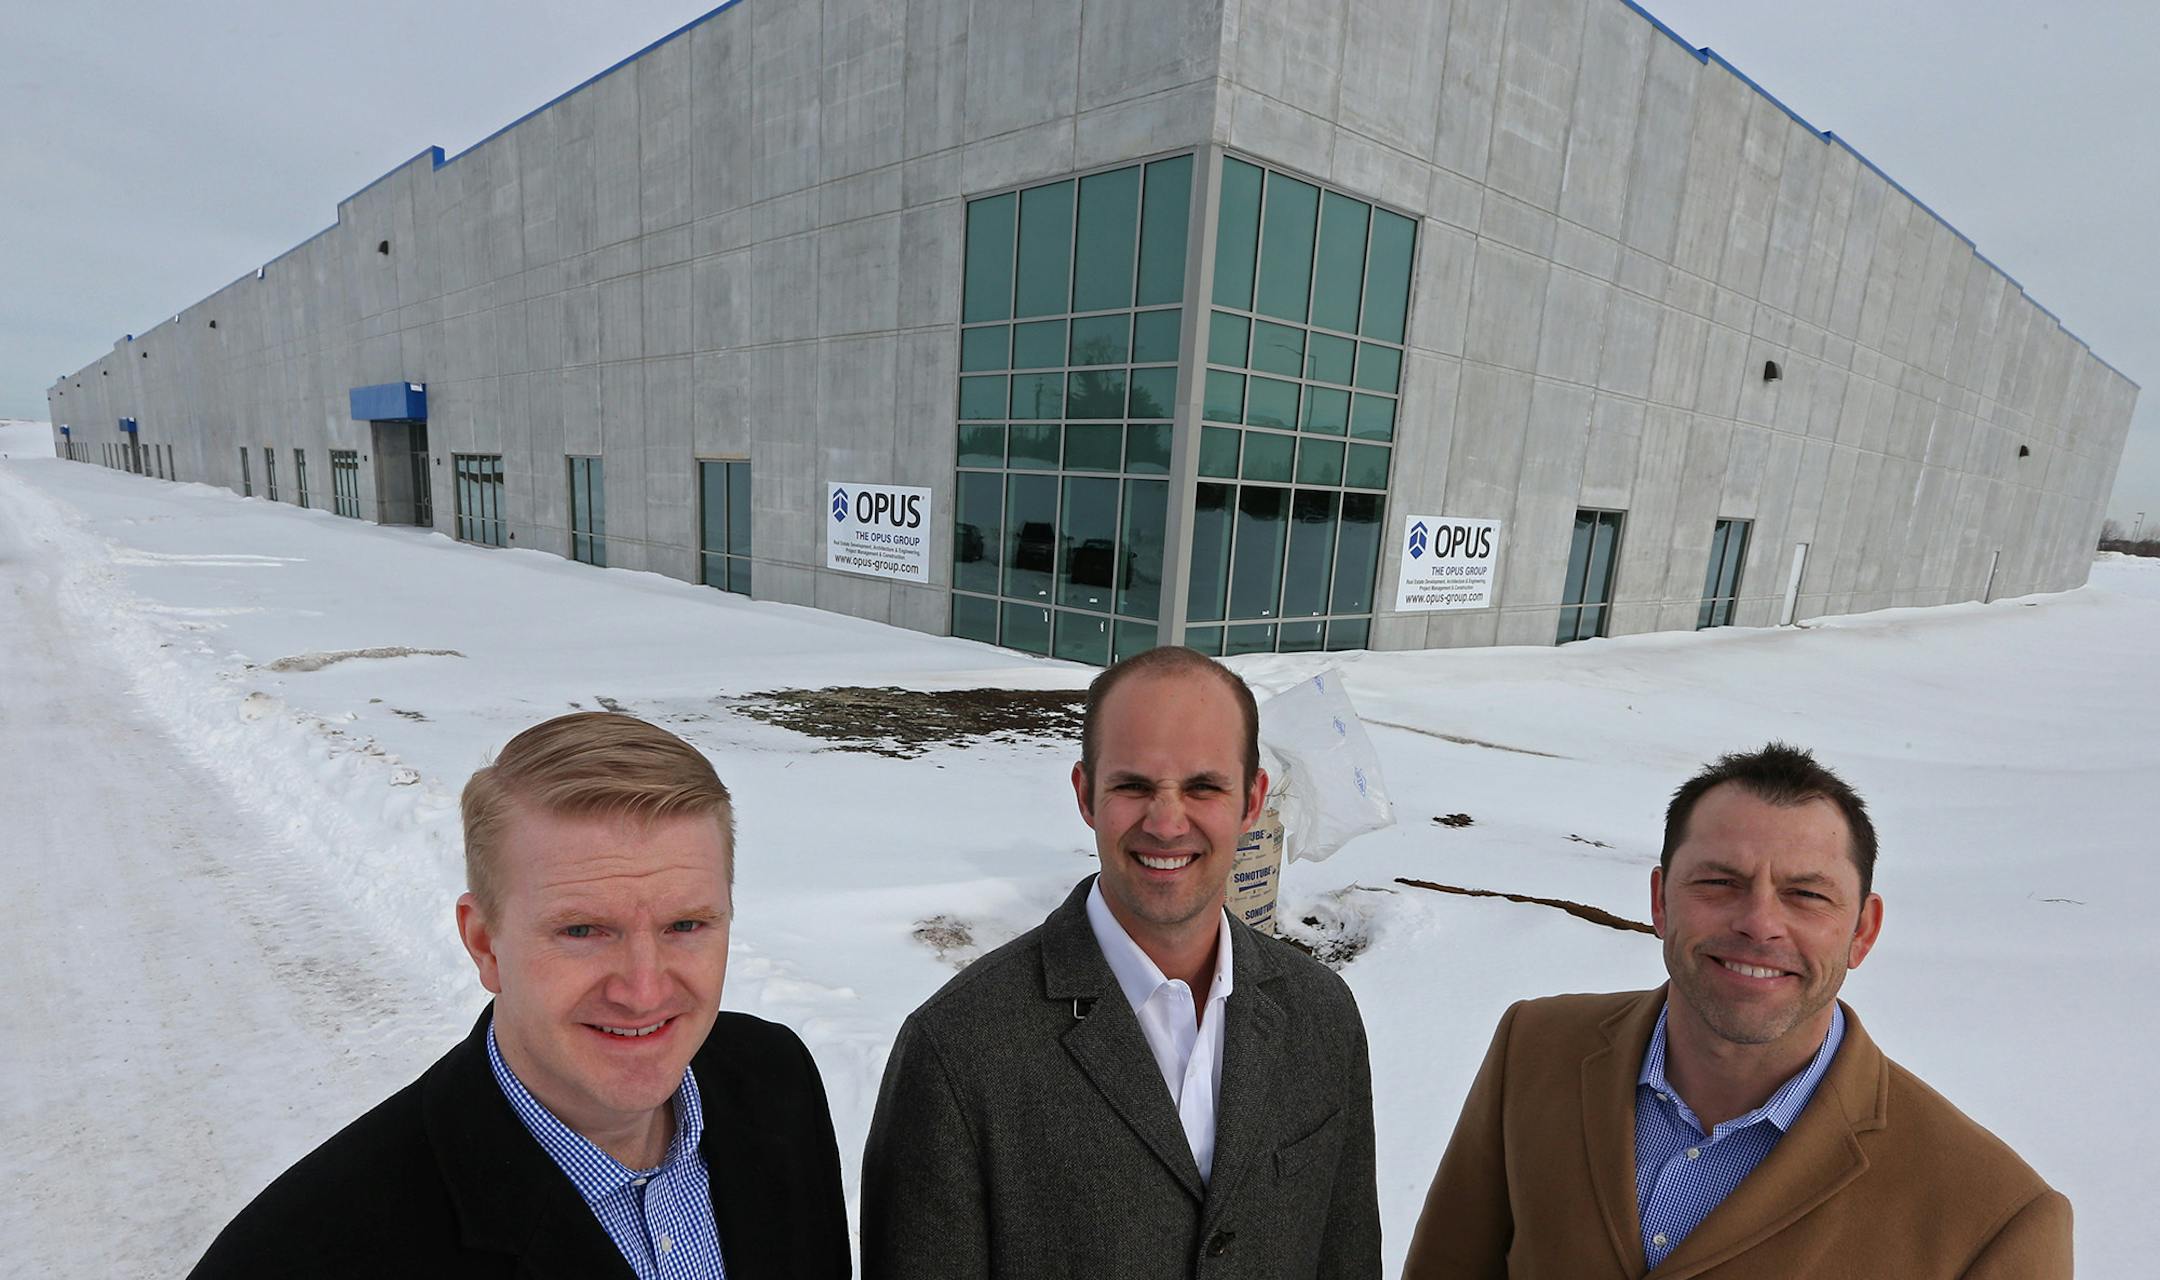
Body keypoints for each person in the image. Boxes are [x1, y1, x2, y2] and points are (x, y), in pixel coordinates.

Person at [192, 712, 850, 1279]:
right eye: (583, 930)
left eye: (686, 925)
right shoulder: (301, 1255)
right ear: (484, 943)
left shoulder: (772, 1076)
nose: (644, 990)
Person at [1403, 742, 2070, 1279]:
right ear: (1661, 902)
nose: (1759, 923)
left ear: (1862, 932)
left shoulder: (1995, 1219)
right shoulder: (1537, 1047)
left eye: (1806, 894)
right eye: (1720, 882)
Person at [860, 647, 1381, 1279]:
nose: (1166, 823)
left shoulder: (1321, 1015)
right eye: (1134, 786)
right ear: (1086, 795)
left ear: (1252, 800)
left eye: (1203, 786)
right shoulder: (958, 1050)